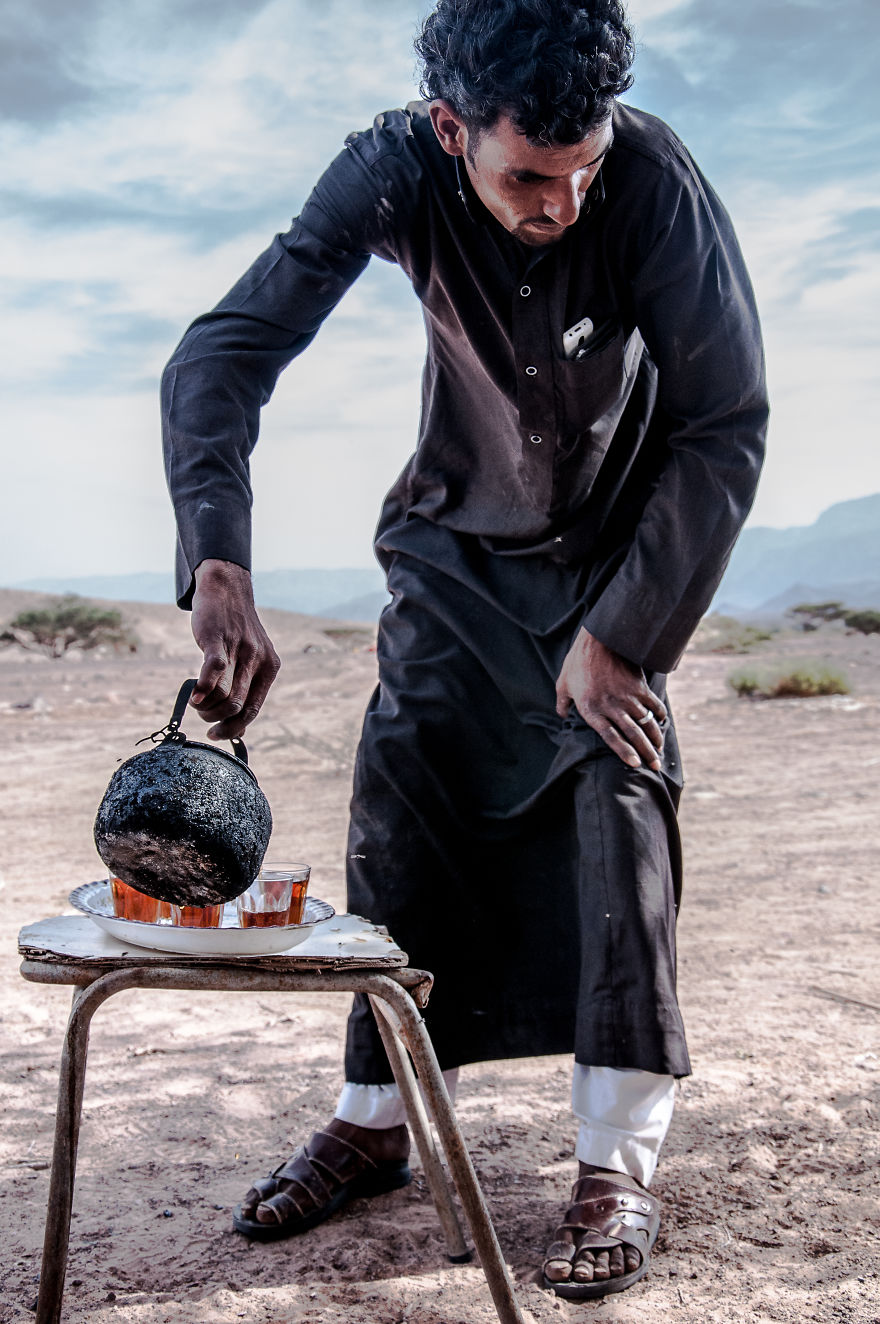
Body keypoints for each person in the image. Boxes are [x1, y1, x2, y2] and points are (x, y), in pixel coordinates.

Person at [161, 0, 767, 1299]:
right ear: (451, 131)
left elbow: (725, 423)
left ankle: (617, 1161)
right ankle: (375, 1121)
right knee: (404, 801)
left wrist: (625, 636)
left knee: (619, 797)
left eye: (583, 168)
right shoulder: (388, 170)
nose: (564, 202)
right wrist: (218, 559)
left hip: (614, 559)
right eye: (530, 178)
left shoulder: (652, 180)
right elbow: (222, 356)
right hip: (453, 548)